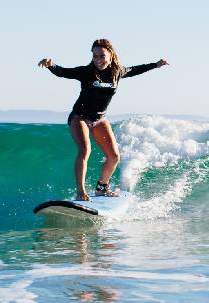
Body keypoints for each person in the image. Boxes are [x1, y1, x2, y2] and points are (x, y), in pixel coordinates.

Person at [38, 38, 169, 201]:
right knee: (85, 150)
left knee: (114, 157)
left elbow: (135, 70)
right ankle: (81, 192)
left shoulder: (117, 71)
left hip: (99, 119)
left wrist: (155, 65)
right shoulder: (86, 72)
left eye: (101, 56)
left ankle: (102, 188)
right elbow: (64, 72)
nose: (98, 60)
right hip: (80, 117)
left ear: (111, 55)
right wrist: (51, 65)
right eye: (95, 56)